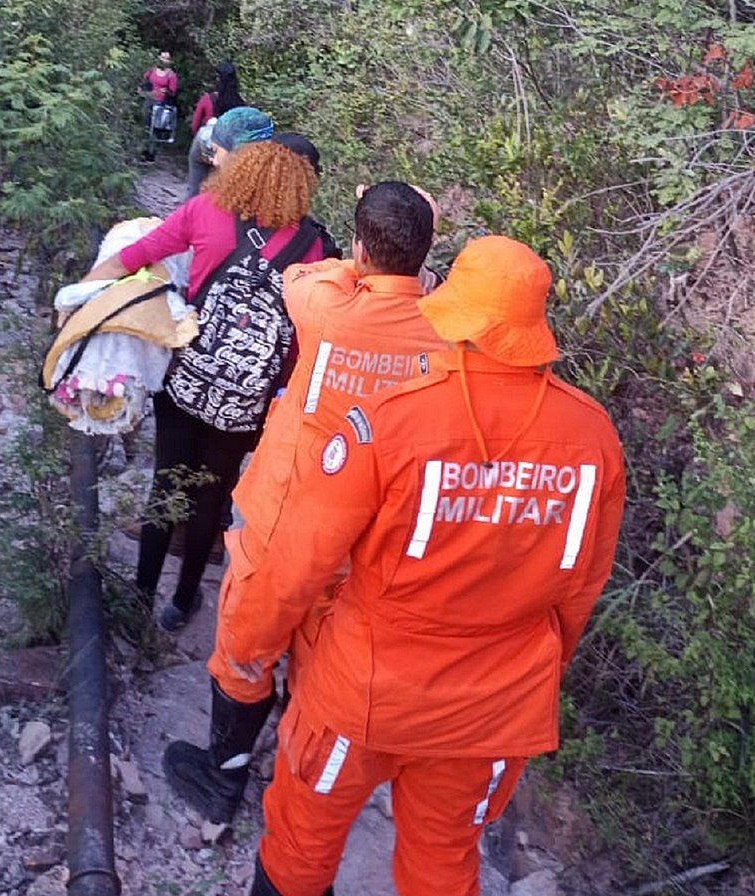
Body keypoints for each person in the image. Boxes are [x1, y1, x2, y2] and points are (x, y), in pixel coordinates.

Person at [204, 235, 626, 896]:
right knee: (443, 860)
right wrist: (533, 674)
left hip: (366, 689)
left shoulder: (389, 421)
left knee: (302, 839)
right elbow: (579, 592)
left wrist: (250, 651)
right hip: (496, 704)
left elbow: (298, 565)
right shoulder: (593, 435)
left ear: (455, 312)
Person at [161, 182, 445, 825]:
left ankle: (222, 777)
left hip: (287, 521)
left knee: (245, 646)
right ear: (426, 253)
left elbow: (302, 271)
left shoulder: (326, 304)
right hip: (365, 541)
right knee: (319, 658)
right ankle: (291, 776)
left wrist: (365, 255)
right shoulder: (444, 333)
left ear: (363, 247)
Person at [84, 139, 326, 632]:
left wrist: (82, 303)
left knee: (166, 484)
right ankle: (182, 603)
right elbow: (305, 333)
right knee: (211, 498)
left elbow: (134, 258)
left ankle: (140, 597)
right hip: (246, 398)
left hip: (186, 377)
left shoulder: (206, 211)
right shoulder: (315, 246)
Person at [188, 62, 247, 198]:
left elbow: (194, 125)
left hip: (204, 143)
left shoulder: (207, 99)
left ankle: (189, 213)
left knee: (194, 186)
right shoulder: (240, 104)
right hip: (227, 149)